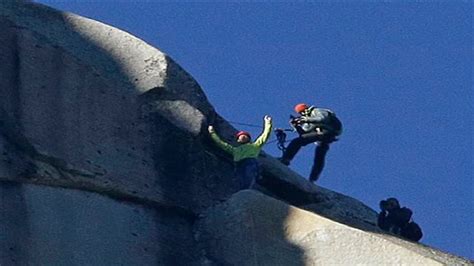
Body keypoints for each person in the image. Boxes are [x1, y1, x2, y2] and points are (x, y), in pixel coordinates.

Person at [279, 103, 342, 182]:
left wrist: (305, 120)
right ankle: (312, 179)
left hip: (327, 132)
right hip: (325, 136)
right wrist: (296, 126)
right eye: (300, 113)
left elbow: (322, 118)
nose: (302, 114)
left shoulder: (316, 111)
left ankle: (286, 159)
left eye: (302, 112)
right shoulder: (308, 119)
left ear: (306, 109)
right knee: (319, 157)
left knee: (297, 142)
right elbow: (304, 134)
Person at [208, 115, 272, 190]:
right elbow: (221, 144)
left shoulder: (255, 146)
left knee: (248, 177)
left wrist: (268, 122)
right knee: (239, 180)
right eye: (241, 136)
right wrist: (212, 132)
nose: (243, 136)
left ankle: (246, 191)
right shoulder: (235, 150)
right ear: (238, 140)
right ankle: (242, 192)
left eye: (245, 136)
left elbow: (265, 135)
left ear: (249, 139)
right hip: (239, 165)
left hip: (250, 162)